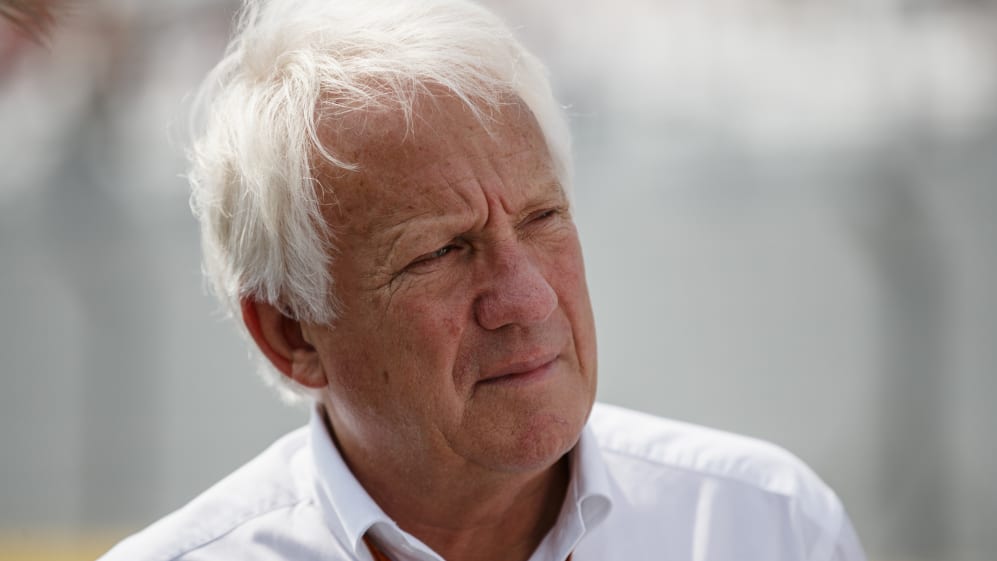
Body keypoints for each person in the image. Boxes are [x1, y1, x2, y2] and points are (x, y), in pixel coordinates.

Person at [99, 0, 866, 560]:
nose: (528, 298)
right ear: (291, 332)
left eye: (542, 218)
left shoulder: (763, 525)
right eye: (439, 252)